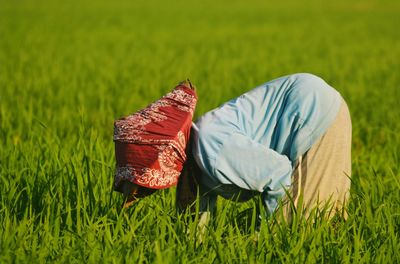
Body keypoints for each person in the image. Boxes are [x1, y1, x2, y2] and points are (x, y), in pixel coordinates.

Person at [177, 73, 352, 223]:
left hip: (311, 112)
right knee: (326, 220)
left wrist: (265, 230)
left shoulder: (212, 147)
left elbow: (278, 175)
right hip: (319, 105)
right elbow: (196, 221)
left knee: (300, 226)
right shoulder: (194, 163)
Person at [113, 80, 198, 208]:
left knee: (131, 192)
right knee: (134, 190)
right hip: (146, 150)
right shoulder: (180, 110)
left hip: (132, 144)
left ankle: (123, 209)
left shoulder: (171, 106)